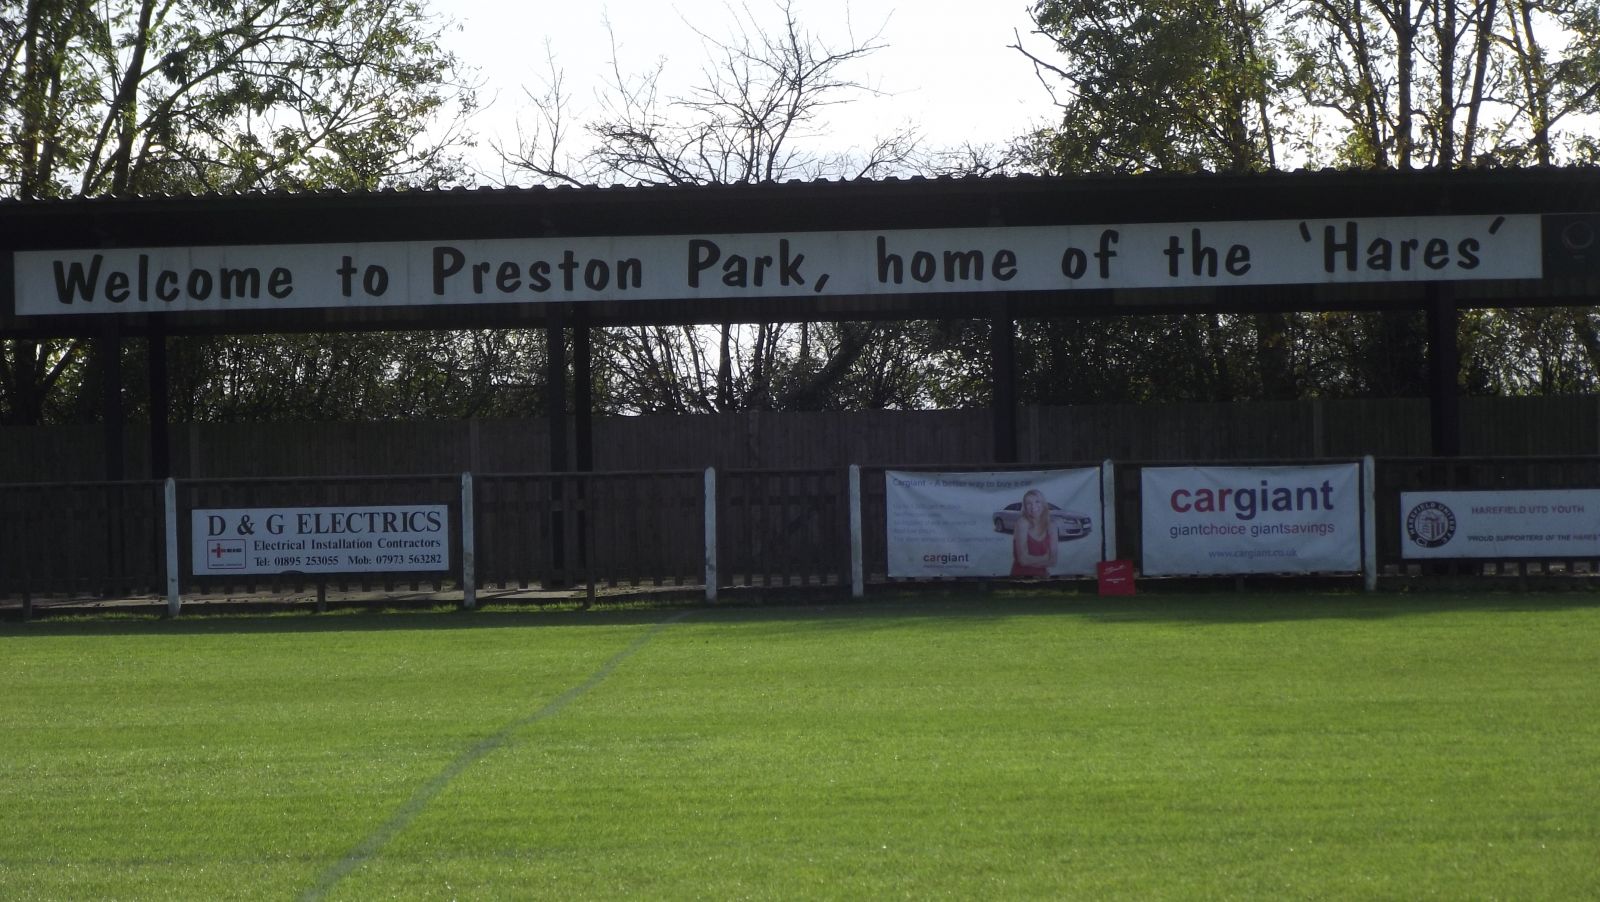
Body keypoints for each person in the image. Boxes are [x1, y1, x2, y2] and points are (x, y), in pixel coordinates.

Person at [1010, 488, 1058, 578]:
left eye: (1037, 501)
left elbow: (1053, 561)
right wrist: (1045, 557)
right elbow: (1023, 560)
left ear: (1043, 504)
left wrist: (1031, 560)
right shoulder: (1022, 523)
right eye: (1029, 503)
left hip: (1043, 577)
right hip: (1020, 577)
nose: (1033, 506)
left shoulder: (1052, 526)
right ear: (1025, 507)